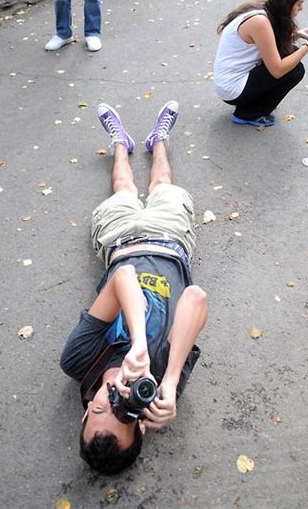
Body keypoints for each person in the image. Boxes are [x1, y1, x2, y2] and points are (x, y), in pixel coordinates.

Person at [60, 100, 208, 474]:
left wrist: (138, 343)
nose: (115, 395)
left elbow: (123, 276)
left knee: (123, 186)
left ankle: (119, 143)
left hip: (121, 242)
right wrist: (171, 380)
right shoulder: (158, 384)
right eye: (122, 410)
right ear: (142, 421)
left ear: (82, 416)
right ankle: (159, 140)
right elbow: (195, 298)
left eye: (98, 406)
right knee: (162, 184)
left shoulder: (80, 362)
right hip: (171, 243)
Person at [213, 0, 308, 127]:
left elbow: (269, 43)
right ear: (286, 5)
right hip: (232, 88)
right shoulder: (260, 22)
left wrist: (299, 33)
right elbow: (277, 70)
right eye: (299, 4)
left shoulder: (263, 8)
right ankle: (248, 114)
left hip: (231, 80)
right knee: (295, 70)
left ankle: (251, 104)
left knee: (290, 53)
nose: (301, 8)